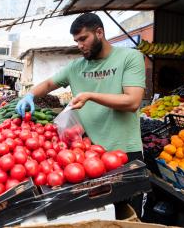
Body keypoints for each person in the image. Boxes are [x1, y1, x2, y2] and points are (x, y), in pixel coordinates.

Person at [15, 13, 146, 215]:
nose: (79, 45)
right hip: (88, 156)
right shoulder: (76, 67)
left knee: (128, 215)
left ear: (99, 32)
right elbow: (49, 84)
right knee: (99, 215)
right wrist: (30, 95)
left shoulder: (130, 57)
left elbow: (132, 101)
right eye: (76, 41)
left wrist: (90, 95)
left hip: (124, 152)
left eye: (83, 39)